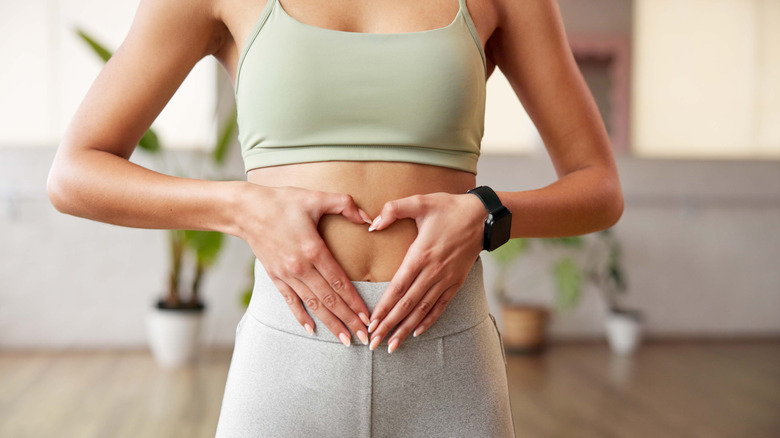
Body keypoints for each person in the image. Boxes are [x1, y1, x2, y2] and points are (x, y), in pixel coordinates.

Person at [47, 0, 624, 436]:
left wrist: (488, 214)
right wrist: (241, 207)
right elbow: (75, 173)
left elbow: (598, 185)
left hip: (450, 369)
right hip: (287, 366)